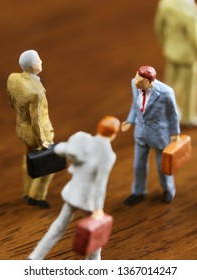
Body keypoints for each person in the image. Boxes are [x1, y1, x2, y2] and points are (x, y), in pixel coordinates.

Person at [28, 116, 120, 260]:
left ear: (99, 128)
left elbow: (61, 149)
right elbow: (100, 184)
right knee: (94, 232)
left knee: (58, 226)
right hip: (88, 200)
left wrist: (54, 146)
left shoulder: (83, 139)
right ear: (113, 134)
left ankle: (35, 257)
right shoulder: (108, 155)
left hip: (73, 193)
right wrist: (98, 209)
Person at [122, 66, 180, 206]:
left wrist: (175, 132)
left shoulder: (166, 92)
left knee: (163, 165)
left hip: (160, 134)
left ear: (149, 82)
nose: (135, 81)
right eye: (136, 77)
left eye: (139, 80)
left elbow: (173, 114)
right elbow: (134, 105)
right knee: (138, 165)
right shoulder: (134, 84)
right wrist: (130, 120)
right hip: (141, 132)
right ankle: (138, 191)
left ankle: (168, 190)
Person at [7, 50, 55, 208]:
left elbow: (10, 100)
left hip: (21, 128)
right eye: (38, 60)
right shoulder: (37, 93)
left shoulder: (13, 78)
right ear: (33, 66)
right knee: (48, 164)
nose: (41, 61)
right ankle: (36, 196)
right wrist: (43, 142)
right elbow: (36, 121)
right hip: (38, 134)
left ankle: (27, 191)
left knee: (27, 159)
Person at [154, 0, 197, 128]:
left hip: (172, 50)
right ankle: (188, 116)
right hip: (188, 56)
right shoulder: (190, 9)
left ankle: (166, 114)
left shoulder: (165, 3)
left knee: (170, 84)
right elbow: (194, 37)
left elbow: (158, 27)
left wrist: (166, 44)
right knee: (189, 87)